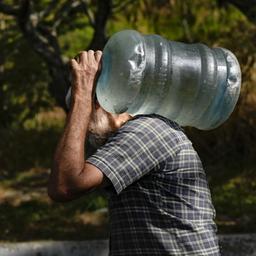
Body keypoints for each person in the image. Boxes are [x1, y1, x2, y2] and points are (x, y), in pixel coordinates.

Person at [48, 50, 221, 256]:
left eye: (86, 113)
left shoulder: (146, 131)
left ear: (100, 100)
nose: (84, 127)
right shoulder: (131, 136)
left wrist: (81, 93)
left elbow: (64, 185)